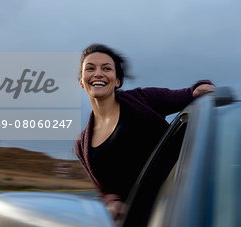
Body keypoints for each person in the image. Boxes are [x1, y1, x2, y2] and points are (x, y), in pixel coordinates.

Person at [75, 44, 214, 219]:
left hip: (182, 208)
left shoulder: (142, 99)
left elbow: (187, 94)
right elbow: (105, 192)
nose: (98, 73)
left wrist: (200, 88)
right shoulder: (82, 145)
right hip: (141, 220)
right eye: (90, 68)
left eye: (106, 68)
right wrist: (112, 203)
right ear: (81, 81)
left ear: (117, 80)